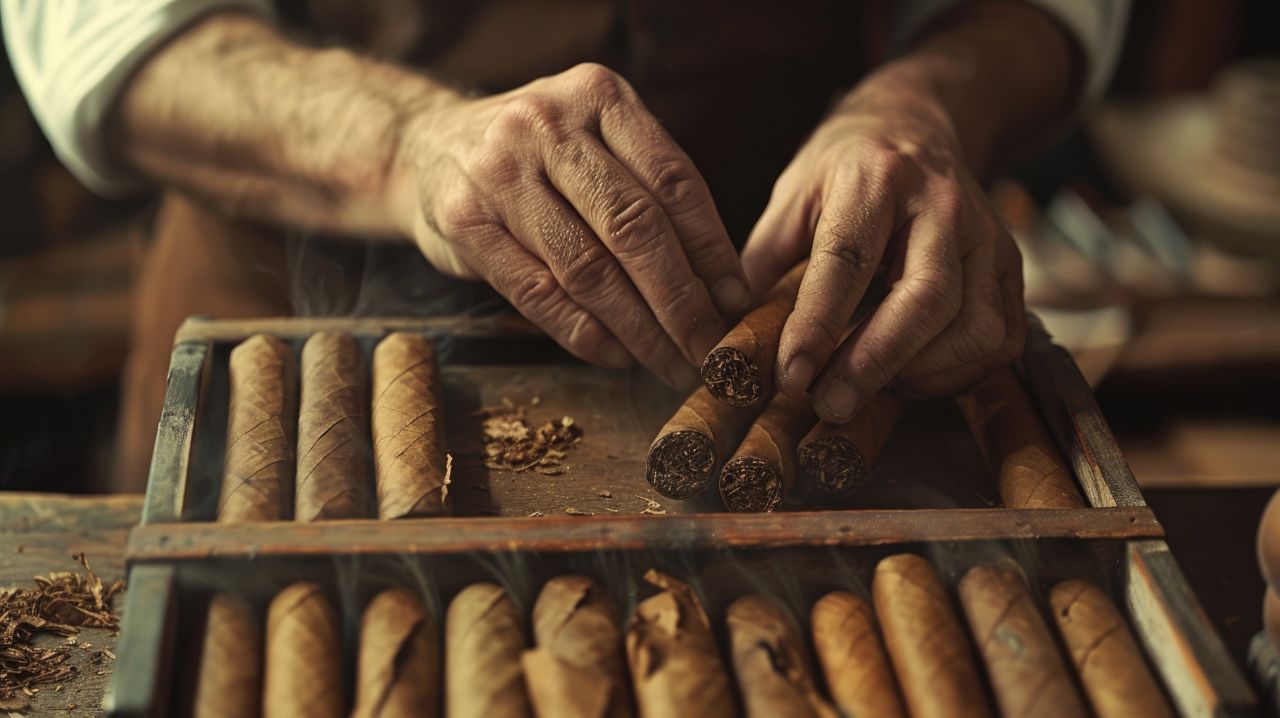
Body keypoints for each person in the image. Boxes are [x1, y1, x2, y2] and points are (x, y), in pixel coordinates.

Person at [3, 0, 1126, 488]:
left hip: (794, 316)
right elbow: (93, 22)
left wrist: (925, 98)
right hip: (292, 328)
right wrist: (403, 142)